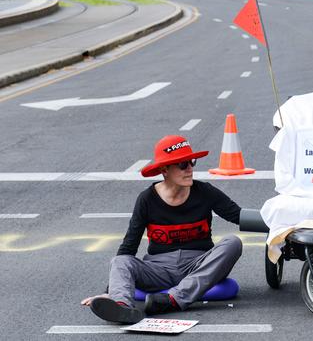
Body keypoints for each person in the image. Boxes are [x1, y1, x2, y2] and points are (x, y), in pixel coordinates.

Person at [81, 135, 243, 324]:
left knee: (233, 242)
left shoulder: (205, 191)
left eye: (192, 162)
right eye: (183, 164)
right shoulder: (147, 199)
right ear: (165, 169)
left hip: (197, 265)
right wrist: (110, 291)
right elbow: (129, 245)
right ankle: (122, 307)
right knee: (120, 260)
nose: (190, 169)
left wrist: (279, 221)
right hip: (158, 269)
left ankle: (173, 299)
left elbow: (238, 215)